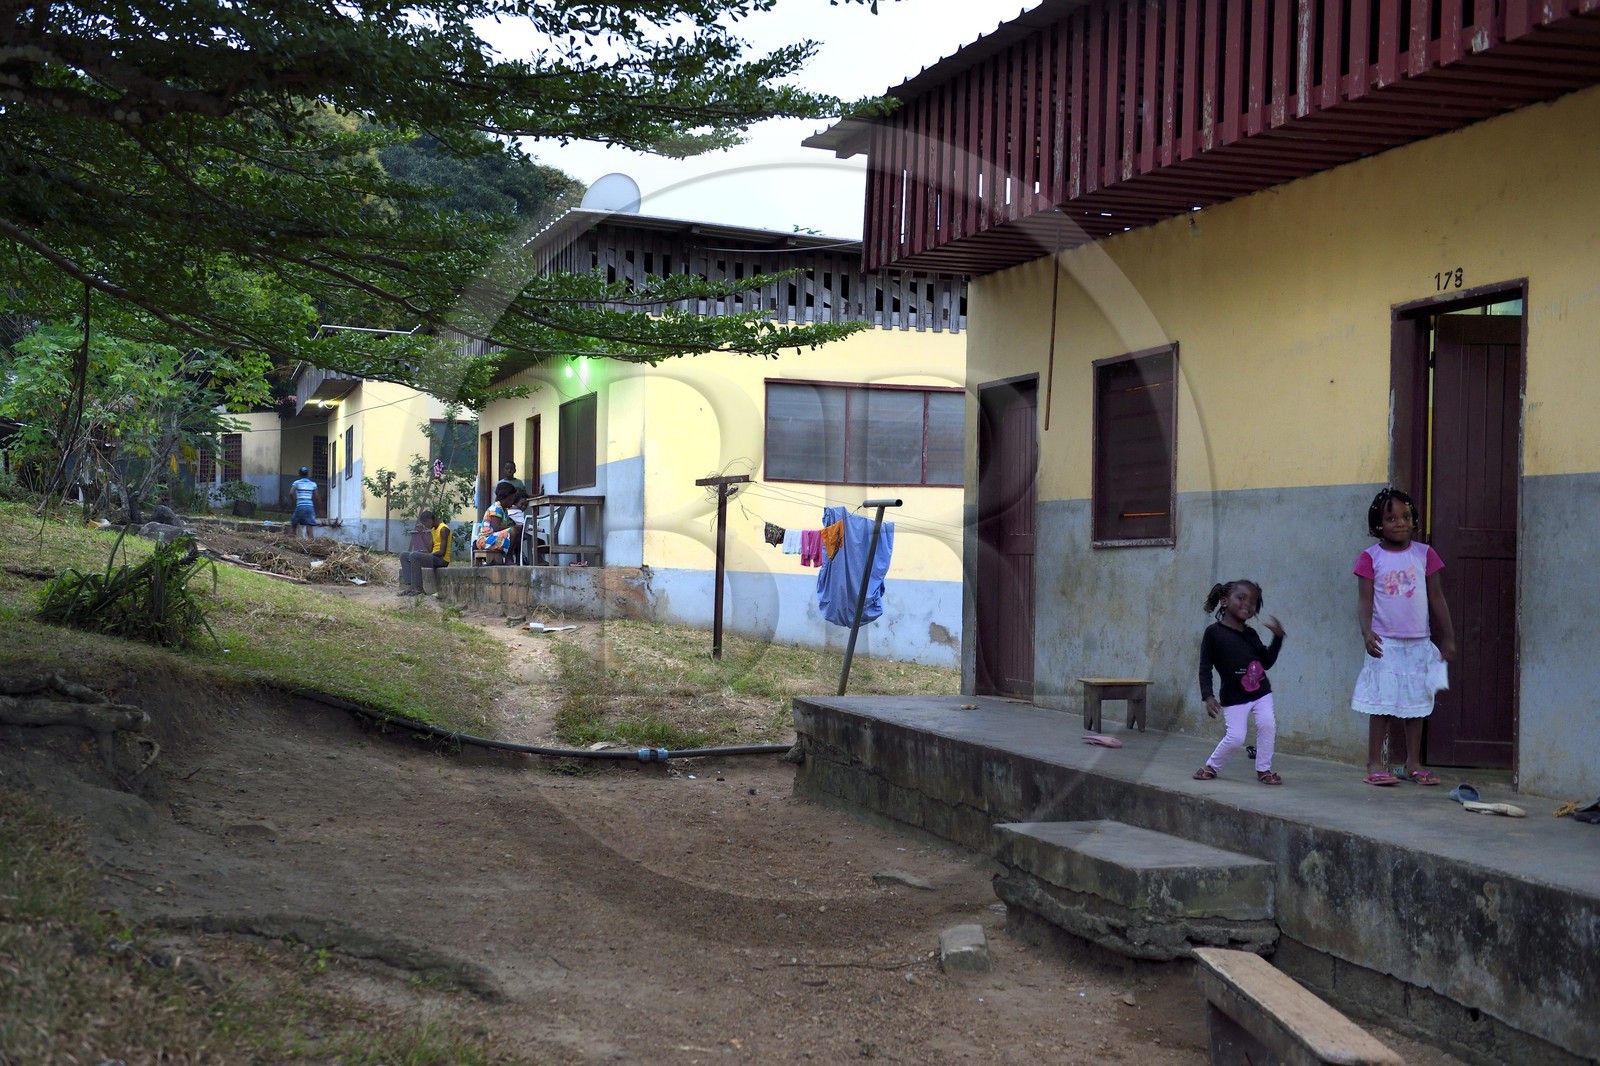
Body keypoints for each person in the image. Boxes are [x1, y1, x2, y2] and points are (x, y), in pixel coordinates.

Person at [1352, 487, 1456, 786]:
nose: (1400, 523)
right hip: (1385, 644)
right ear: (1378, 525)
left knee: (1416, 705)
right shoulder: (1370, 558)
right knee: (1381, 704)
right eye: (1391, 518)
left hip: (1419, 643)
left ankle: (1413, 764)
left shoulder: (1425, 554)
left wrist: (1448, 637)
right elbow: (1365, 602)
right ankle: (1375, 763)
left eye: (1406, 516)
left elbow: (1437, 598)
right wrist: (1367, 632)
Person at [1193, 579, 1286, 785]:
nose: (1247, 604)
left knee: (1267, 725)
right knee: (1236, 737)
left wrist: (1278, 639)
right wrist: (1208, 696)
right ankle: (1211, 766)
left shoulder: (1251, 634)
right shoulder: (1213, 633)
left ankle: (1264, 769)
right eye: (1241, 598)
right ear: (1224, 601)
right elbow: (1205, 667)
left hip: (1261, 692)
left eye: (1253, 602)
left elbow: (1266, 662)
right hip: (1234, 696)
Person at [398, 510, 450, 595]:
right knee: (404, 555)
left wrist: (429, 555)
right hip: (434, 557)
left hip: (442, 560)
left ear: (430, 520)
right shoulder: (433, 530)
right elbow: (430, 549)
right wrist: (421, 534)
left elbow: (442, 552)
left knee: (414, 555)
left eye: (425, 524)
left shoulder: (443, 529)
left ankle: (419, 589)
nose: (425, 526)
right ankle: (411, 586)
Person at [289, 466, 319, 539]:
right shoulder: (313, 484)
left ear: (299, 474)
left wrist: (294, 501)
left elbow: (291, 493)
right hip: (309, 507)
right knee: (309, 528)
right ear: (308, 474)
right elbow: (316, 496)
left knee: (293, 525)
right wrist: (319, 507)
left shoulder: (297, 483)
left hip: (300, 506)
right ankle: (311, 544)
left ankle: (291, 542)